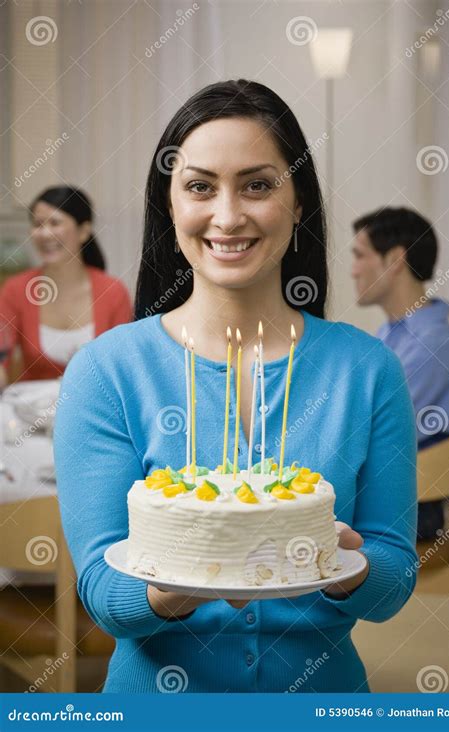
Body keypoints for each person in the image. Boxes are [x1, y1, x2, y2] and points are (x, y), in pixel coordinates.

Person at [54, 80, 417, 693]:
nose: (227, 216)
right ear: (169, 206)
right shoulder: (105, 372)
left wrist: (348, 564)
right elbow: (101, 590)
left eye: (258, 185)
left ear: (298, 201)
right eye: (199, 187)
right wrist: (176, 585)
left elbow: (393, 581)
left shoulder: (368, 370)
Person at [351, 206, 449, 539]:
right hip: (400, 499)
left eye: (360, 255)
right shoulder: (394, 335)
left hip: (415, 513)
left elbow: (368, 434)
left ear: (394, 260)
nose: (353, 270)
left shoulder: (429, 344)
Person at [0, 186, 132, 385]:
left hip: (95, 410)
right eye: (37, 224)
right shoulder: (16, 290)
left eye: (55, 223)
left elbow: (123, 367)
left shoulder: (113, 292)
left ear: (83, 231)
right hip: (31, 412)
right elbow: (3, 358)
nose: (45, 234)